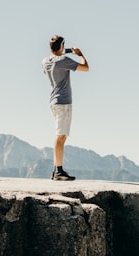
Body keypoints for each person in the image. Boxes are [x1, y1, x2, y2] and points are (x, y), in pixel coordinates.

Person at [42, 35, 89, 181]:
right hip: (63, 102)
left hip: (53, 101)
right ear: (61, 46)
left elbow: (55, 59)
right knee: (61, 135)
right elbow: (85, 68)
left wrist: (64, 51)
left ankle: (56, 169)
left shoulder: (45, 61)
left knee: (60, 134)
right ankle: (58, 171)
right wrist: (80, 54)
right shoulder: (63, 60)